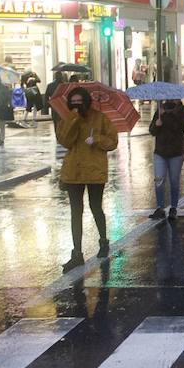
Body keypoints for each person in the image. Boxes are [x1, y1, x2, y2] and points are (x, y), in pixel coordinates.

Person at [56, 86, 118, 271]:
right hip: (73, 172)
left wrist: (97, 139)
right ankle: (77, 253)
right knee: (76, 212)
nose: (76, 105)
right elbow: (65, 141)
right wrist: (73, 119)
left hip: (94, 171)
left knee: (95, 207)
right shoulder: (67, 118)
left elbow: (113, 141)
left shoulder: (100, 118)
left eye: (79, 102)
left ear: (86, 101)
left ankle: (103, 241)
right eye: (73, 102)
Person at [149, 98, 184, 220]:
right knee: (159, 180)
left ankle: (173, 208)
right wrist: (156, 124)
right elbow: (152, 131)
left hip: (176, 152)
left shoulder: (181, 111)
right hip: (160, 151)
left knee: (174, 181)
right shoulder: (160, 110)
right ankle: (159, 207)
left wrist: (169, 115)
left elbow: (180, 127)